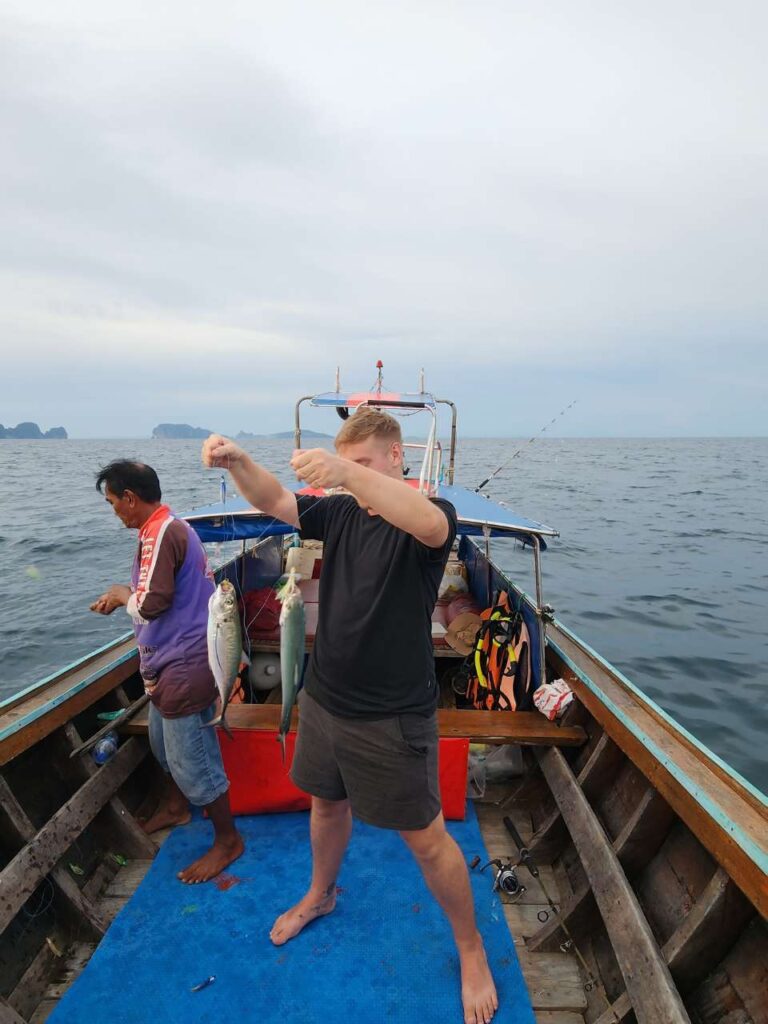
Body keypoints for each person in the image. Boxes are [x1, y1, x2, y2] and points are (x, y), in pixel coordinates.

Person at [202, 409, 498, 1024]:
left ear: (396, 459)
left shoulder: (429, 518)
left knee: (426, 839)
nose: (350, 479)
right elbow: (278, 501)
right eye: (346, 466)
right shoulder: (339, 512)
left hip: (392, 716)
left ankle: (471, 950)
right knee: (326, 804)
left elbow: (425, 521)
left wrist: (342, 472)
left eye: (363, 465)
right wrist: (240, 464)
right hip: (325, 698)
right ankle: (321, 893)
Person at [90, 459, 244, 884]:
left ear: (130, 499)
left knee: (193, 758)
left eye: (113, 503)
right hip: (169, 660)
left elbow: (152, 602)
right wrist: (122, 598)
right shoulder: (163, 528)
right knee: (161, 743)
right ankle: (176, 808)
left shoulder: (161, 532)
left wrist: (122, 596)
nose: (114, 511)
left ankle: (228, 839)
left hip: (183, 663)